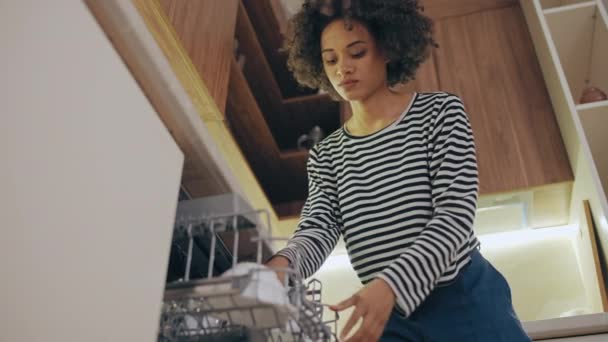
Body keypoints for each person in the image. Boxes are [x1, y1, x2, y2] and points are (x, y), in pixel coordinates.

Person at [264, 0, 530, 341]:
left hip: (465, 298)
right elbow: (318, 228)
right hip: (391, 312)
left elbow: (455, 215)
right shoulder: (326, 155)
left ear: (388, 49)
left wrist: (391, 284)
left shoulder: (440, 113)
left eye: (356, 53)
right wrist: (285, 265)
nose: (342, 68)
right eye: (331, 59)